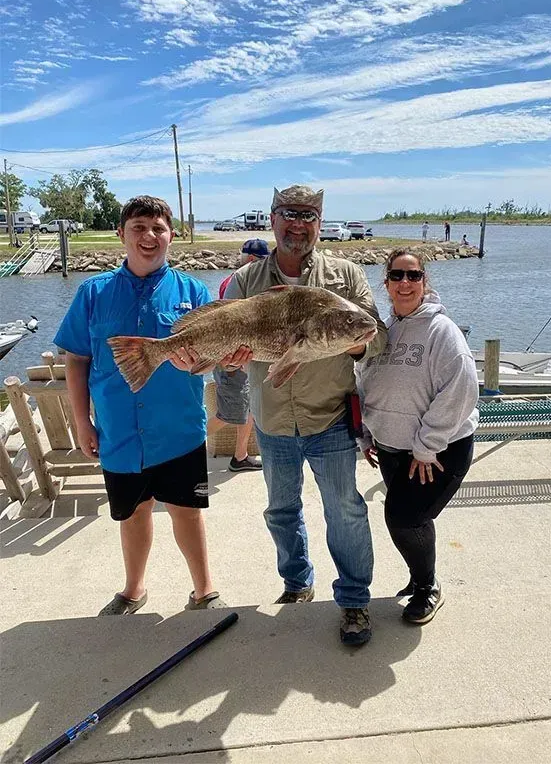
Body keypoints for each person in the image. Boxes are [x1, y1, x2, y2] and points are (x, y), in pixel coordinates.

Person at [224, 184, 387, 645]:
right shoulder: (245, 281)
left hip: (330, 416)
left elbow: (375, 338)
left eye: (308, 216)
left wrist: (345, 338)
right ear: (272, 218)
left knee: (346, 511)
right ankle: (297, 583)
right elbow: (231, 338)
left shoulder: (346, 275)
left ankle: (354, 601)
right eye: (289, 214)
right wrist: (232, 356)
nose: (298, 225)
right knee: (280, 510)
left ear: (319, 222)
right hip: (272, 419)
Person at [54, 195, 231, 616]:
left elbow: (211, 356)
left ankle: (204, 589)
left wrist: (213, 359)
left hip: (180, 430)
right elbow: (76, 360)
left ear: (172, 235)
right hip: (118, 434)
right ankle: (133, 589)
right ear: (122, 234)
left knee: (187, 513)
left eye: (158, 228)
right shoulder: (92, 293)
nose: (149, 236)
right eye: (138, 228)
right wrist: (82, 423)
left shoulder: (193, 291)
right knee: (132, 515)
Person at [356, 248, 479, 624]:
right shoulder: (381, 330)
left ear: (425, 282)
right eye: (397, 276)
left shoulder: (443, 331)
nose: (405, 283)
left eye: (413, 276)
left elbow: (461, 389)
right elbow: (364, 383)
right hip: (390, 448)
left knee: (403, 517)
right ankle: (418, 578)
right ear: (386, 282)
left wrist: (426, 447)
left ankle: (428, 587)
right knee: (413, 519)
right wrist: (367, 434)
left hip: (438, 451)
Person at [208, 238, 269, 473]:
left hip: (245, 359)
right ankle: (180, 444)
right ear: (252, 260)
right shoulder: (240, 283)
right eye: (264, 261)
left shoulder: (232, 281)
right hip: (232, 360)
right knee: (229, 413)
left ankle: (240, 456)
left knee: (247, 408)